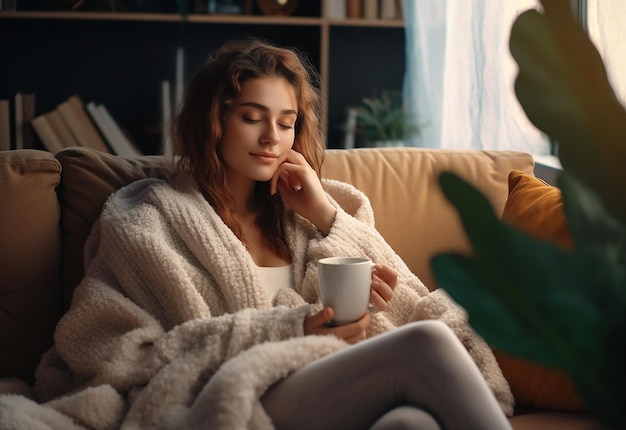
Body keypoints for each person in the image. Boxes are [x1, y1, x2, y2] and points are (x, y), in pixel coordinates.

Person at [0, 38, 514, 430]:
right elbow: (114, 353)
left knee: (412, 425)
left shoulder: (318, 211)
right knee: (425, 344)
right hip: (237, 396)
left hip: (332, 389)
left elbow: (407, 300)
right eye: (252, 117)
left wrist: (325, 214)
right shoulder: (147, 219)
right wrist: (290, 330)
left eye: (287, 122)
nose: (272, 137)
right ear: (214, 122)